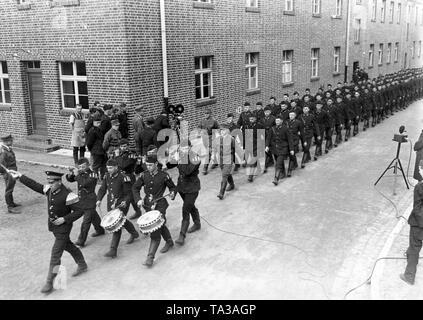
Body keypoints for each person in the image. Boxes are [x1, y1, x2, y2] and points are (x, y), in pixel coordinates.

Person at [10, 170, 87, 294]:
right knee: (68, 245)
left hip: (63, 229)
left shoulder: (68, 194)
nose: (50, 184)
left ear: (59, 182)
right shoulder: (49, 189)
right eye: (48, 182)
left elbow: (80, 211)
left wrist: (64, 219)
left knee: (55, 255)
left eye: (52, 182)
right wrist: (20, 177)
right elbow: (35, 185)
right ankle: (82, 264)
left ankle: (49, 282)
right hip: (54, 228)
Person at [132, 154, 176, 267]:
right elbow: (135, 188)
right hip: (147, 204)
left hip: (160, 204)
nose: (148, 167)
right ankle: (169, 241)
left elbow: (172, 187)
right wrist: (138, 199)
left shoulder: (164, 175)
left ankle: (150, 258)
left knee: (155, 232)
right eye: (147, 165)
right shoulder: (143, 175)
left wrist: (172, 193)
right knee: (159, 225)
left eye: (151, 165)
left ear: (156, 164)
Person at [97, 159, 139, 258]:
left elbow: (129, 193)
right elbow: (103, 188)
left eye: (111, 168)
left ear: (116, 167)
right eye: (107, 168)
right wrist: (99, 199)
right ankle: (134, 233)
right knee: (122, 220)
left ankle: (113, 249)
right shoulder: (107, 176)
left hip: (122, 203)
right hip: (111, 203)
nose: (109, 170)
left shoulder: (124, 178)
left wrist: (125, 202)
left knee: (116, 224)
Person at [66, 158, 105, 247]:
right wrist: (71, 173)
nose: (81, 168)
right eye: (80, 167)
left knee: (86, 222)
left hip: (90, 200)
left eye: (83, 166)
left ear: (88, 165)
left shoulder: (93, 174)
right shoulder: (80, 174)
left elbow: (84, 183)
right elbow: (70, 179)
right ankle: (100, 230)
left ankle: (81, 241)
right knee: (93, 216)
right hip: (82, 200)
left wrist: (77, 175)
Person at [400, 160, 423, 285]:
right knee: (413, 249)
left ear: (421, 169)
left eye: (420, 169)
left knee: (415, 247)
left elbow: (417, 208)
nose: (419, 171)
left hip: (419, 224)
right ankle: (409, 254)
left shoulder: (419, 187)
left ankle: (409, 276)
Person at [174, 143, 202, 246]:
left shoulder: (196, 157)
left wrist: (179, 160)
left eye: (186, 147)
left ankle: (182, 236)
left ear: (190, 147)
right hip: (182, 187)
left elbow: (187, 171)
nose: (184, 149)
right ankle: (197, 223)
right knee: (190, 206)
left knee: (185, 209)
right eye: (182, 148)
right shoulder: (181, 156)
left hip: (192, 188)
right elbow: (170, 165)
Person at [114, 139, 143, 220]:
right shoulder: (119, 154)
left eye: (125, 146)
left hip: (129, 177)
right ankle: (138, 211)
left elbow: (123, 165)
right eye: (122, 146)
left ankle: (122, 216)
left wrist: (117, 157)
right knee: (131, 196)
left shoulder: (131, 154)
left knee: (127, 195)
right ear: (119, 147)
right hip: (121, 177)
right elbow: (114, 164)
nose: (124, 148)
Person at [213, 124, 240, 199]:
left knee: (224, 175)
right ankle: (232, 185)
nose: (221, 132)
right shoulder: (218, 139)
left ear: (227, 131)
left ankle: (221, 193)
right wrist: (213, 155)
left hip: (228, 158)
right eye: (221, 130)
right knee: (226, 173)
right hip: (221, 159)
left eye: (223, 130)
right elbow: (214, 148)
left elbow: (237, 149)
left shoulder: (231, 139)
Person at [265, 115, 294, 185]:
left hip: (283, 148)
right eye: (276, 121)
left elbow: (290, 140)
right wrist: (267, 146)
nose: (277, 122)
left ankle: (276, 178)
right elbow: (268, 138)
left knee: (278, 164)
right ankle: (283, 173)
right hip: (274, 149)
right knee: (279, 162)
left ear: (281, 121)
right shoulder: (272, 129)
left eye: (278, 121)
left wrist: (291, 149)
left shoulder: (285, 129)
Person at [0, 134, 20, 213]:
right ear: (6, 142)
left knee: (10, 188)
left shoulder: (8, 149)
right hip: (9, 172)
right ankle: (10, 207)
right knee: (9, 189)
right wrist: (6, 173)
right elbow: (1, 164)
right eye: (11, 141)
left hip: (12, 171)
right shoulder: (4, 152)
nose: (12, 142)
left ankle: (11, 203)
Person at [198, 108, 220, 175]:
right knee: (210, 151)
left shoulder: (214, 121)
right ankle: (215, 162)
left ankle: (205, 167)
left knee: (208, 152)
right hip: (204, 138)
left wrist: (216, 134)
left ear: (210, 114)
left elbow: (218, 128)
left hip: (211, 137)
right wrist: (199, 133)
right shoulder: (202, 120)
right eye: (205, 113)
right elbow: (199, 127)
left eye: (207, 113)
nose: (206, 114)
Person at [86, 114, 107, 181]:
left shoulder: (99, 129)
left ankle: (102, 177)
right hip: (96, 150)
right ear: (93, 123)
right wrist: (91, 149)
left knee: (103, 165)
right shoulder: (92, 131)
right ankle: (95, 178)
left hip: (102, 150)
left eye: (99, 122)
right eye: (97, 122)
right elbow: (89, 142)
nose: (99, 124)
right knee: (96, 166)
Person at [260, 106, 276, 173]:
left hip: (272, 135)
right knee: (266, 150)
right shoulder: (262, 119)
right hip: (264, 135)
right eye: (265, 112)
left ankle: (274, 161)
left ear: (270, 112)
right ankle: (266, 165)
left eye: (267, 112)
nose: (266, 113)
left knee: (272, 149)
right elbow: (260, 127)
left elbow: (276, 126)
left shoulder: (273, 118)